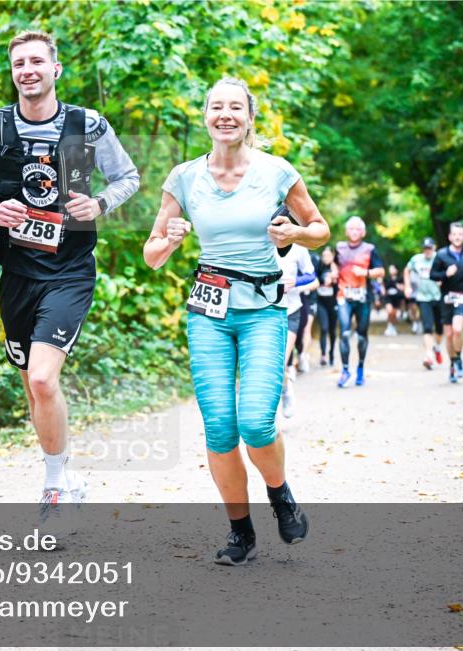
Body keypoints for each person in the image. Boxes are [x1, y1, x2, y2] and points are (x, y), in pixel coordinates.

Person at [143, 77, 329, 565]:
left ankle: (280, 494)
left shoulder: (277, 172)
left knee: (256, 423)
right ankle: (240, 533)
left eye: (235, 108)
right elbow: (152, 254)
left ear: (249, 118)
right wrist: (171, 239)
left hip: (265, 310)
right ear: (205, 116)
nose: (225, 115)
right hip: (208, 311)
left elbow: (319, 229)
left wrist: (293, 231)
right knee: (221, 429)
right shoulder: (184, 177)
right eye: (215, 107)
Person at [0, 31, 139, 517]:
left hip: (70, 269)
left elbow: (128, 178)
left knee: (41, 379)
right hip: (17, 272)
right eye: (19, 63)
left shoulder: (87, 125)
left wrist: (98, 202)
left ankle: (53, 488)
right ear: (12, 72)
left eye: (37, 61)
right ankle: (66, 473)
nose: (27, 70)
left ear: (56, 70)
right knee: (31, 384)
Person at [335, 216, 385, 388]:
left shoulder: (370, 249)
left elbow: (380, 271)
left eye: (358, 229)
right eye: (351, 228)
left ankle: (361, 368)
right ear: (346, 231)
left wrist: (366, 273)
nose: (354, 232)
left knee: (362, 336)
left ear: (363, 232)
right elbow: (333, 265)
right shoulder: (339, 248)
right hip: (343, 296)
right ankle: (345, 370)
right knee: (345, 333)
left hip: (363, 297)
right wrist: (332, 274)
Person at [430, 223, 463, 383]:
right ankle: (452, 364)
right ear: (450, 237)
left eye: (460, 234)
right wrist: (445, 274)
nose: (457, 237)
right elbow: (433, 275)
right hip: (446, 298)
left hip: (462, 295)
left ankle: (458, 359)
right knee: (449, 334)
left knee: (458, 329)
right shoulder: (441, 255)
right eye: (454, 234)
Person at [278, 242, 318, 417]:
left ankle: (284, 395)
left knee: (279, 364)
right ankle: (286, 386)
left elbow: (311, 275)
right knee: (270, 366)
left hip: (291, 310)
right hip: (263, 313)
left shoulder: (298, 248)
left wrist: (295, 281)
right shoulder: (258, 241)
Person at [404, 237, 444, 369]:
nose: (427, 251)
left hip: (438, 297)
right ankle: (428, 355)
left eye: (430, 248)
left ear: (434, 247)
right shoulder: (416, 259)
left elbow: (449, 272)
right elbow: (406, 270)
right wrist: (407, 286)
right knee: (427, 327)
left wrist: (442, 281)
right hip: (423, 297)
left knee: (439, 328)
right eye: (425, 248)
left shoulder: (440, 258)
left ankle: (436, 348)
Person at [316, 246, 338, 366]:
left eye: (328, 256)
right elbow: (314, 278)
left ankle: (331, 353)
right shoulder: (319, 265)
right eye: (324, 256)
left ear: (332, 256)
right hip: (321, 302)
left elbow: (339, 284)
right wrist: (324, 280)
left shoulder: (336, 268)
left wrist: (334, 279)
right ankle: (323, 355)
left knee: (332, 330)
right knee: (324, 328)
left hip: (333, 303)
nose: (326, 258)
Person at [383, 264, 404, 336]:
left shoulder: (400, 279)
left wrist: (398, 286)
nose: (391, 270)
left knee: (394, 314)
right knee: (390, 311)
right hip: (388, 298)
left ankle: (393, 327)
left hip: (397, 298)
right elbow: (383, 289)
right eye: (390, 269)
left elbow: (403, 288)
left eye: (392, 269)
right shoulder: (386, 278)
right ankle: (389, 326)